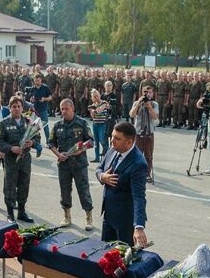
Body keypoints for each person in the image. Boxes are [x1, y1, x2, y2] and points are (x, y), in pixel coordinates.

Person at [95, 122, 148, 247]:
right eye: (112, 136)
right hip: (108, 215)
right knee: (105, 253)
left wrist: (139, 227)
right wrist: (102, 177)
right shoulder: (113, 150)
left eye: (117, 138)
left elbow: (139, 197)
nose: (112, 140)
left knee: (121, 258)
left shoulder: (139, 164)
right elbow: (99, 169)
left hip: (125, 220)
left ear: (129, 142)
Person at [49, 99, 94, 230]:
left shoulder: (82, 123)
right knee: (65, 191)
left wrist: (82, 149)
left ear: (72, 109)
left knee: (83, 190)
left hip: (79, 164)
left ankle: (89, 217)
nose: (63, 111)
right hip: (64, 164)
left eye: (66, 109)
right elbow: (51, 143)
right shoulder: (57, 125)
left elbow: (91, 141)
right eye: (62, 109)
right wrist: (58, 154)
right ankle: (67, 216)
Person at [0, 96, 39, 223]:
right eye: (14, 106)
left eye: (19, 106)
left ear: (22, 108)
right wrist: (11, 148)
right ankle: (10, 214)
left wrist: (32, 142)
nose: (17, 109)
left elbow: (37, 137)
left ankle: (21, 211)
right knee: (10, 186)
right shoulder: (4, 123)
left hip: (25, 159)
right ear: (10, 108)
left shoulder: (29, 121)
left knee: (24, 185)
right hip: (11, 160)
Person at [130, 85, 158, 183]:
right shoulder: (137, 103)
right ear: (142, 93)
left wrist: (149, 107)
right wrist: (138, 103)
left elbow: (155, 117)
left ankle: (147, 174)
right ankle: (136, 173)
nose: (148, 94)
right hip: (138, 132)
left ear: (153, 93)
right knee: (137, 155)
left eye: (150, 92)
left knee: (148, 156)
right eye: (146, 92)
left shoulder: (154, 104)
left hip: (149, 132)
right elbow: (132, 114)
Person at [88, 89, 110, 163]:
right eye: (94, 96)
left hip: (102, 124)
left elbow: (99, 111)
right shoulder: (93, 105)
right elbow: (93, 116)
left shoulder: (104, 102)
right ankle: (97, 157)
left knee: (102, 140)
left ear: (99, 95)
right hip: (95, 124)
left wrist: (94, 108)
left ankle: (108, 155)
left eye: (97, 95)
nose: (96, 97)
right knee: (96, 142)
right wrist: (91, 110)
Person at [31, 73, 52, 144]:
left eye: (38, 81)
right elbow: (30, 99)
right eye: (35, 80)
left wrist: (44, 99)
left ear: (41, 80)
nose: (37, 82)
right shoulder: (32, 88)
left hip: (43, 109)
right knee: (34, 127)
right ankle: (35, 141)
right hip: (35, 110)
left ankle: (48, 142)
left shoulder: (45, 88)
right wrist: (32, 100)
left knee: (45, 126)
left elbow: (50, 98)